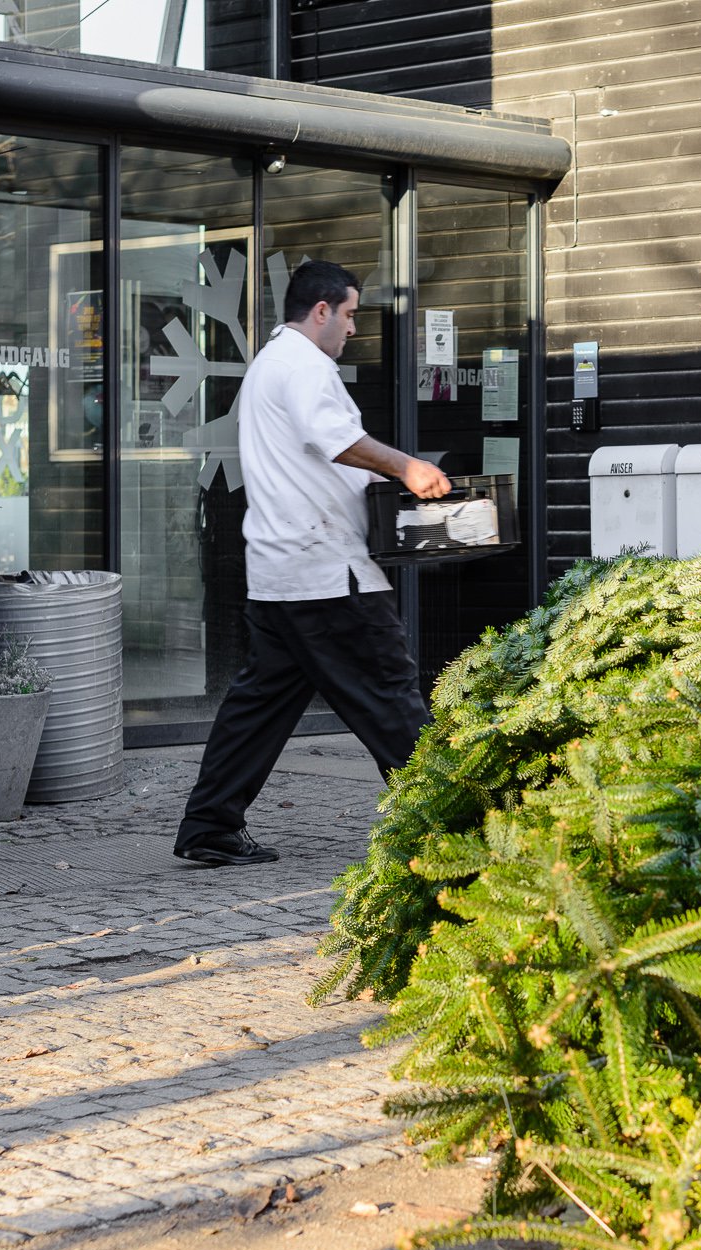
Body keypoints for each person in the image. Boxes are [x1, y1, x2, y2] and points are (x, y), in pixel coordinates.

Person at [173, 259, 451, 867]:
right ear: (321, 310)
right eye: (349, 314)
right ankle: (451, 824)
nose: (353, 328)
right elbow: (338, 441)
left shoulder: (268, 365)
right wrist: (407, 466)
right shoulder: (304, 367)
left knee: (259, 706)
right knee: (390, 693)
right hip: (327, 573)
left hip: (280, 572)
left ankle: (210, 825)